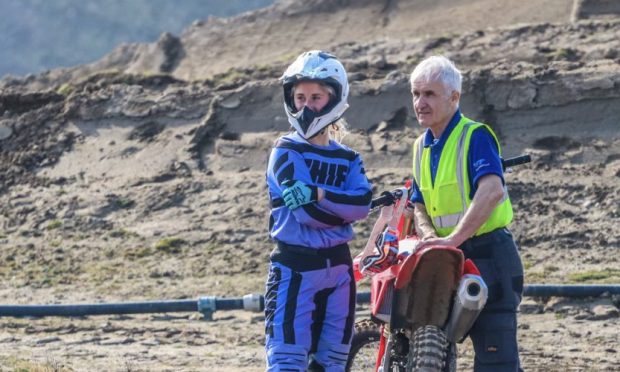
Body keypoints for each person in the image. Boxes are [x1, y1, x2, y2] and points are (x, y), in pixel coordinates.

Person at [405, 55, 524, 371]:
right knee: (433, 355)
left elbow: (492, 191)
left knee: (496, 360)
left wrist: (453, 239)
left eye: (429, 94)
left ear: (454, 97)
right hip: (444, 259)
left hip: (488, 258)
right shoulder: (421, 146)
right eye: (416, 94)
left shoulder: (475, 136)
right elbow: (417, 202)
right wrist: (430, 238)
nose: (420, 102)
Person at [264, 50, 372, 371]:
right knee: (287, 360)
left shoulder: (349, 157)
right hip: (295, 267)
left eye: (315, 97)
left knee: (333, 362)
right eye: (299, 97)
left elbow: (364, 205)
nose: (306, 106)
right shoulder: (285, 151)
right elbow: (307, 214)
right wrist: (340, 209)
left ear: (334, 98)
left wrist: (320, 192)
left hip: (340, 271)